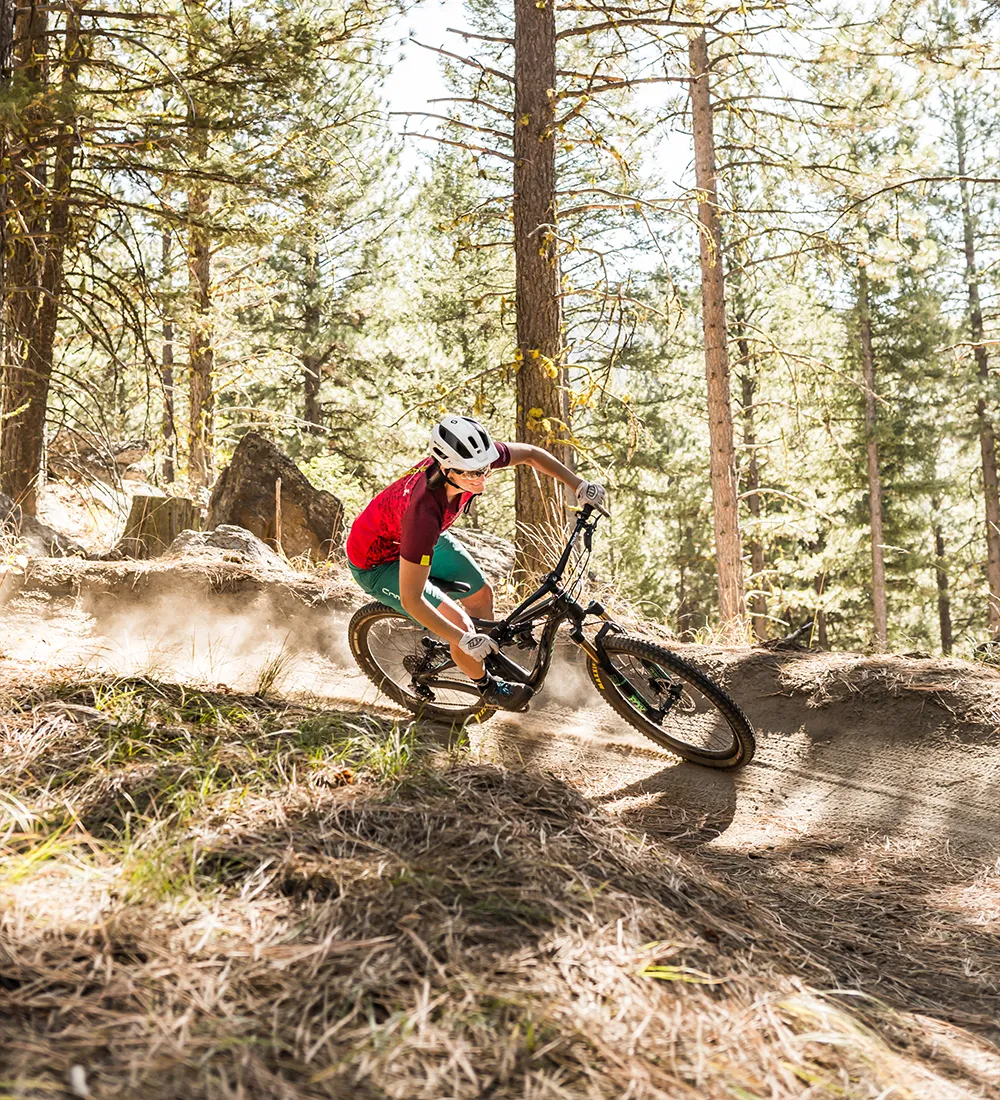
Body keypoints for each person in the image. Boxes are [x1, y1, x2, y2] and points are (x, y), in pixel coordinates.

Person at [346, 415, 607, 710]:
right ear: (445, 468)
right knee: (461, 626)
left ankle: (478, 655)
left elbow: (532, 455)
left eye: (483, 470)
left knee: (481, 593)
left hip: (415, 539)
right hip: (377, 562)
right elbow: (412, 599)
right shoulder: (423, 514)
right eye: (470, 474)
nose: (480, 479)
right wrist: (463, 638)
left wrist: (579, 485)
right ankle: (487, 686)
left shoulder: (470, 459)